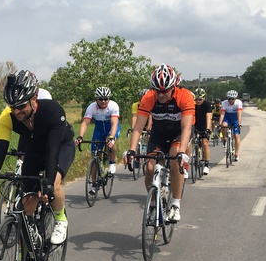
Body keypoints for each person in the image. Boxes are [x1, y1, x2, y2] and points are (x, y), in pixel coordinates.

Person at [0, 70, 74, 261]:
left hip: (61, 147)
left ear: (34, 98)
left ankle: (60, 219)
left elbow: (52, 150)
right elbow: (0, 150)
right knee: (25, 205)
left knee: (54, 183)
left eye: (21, 106)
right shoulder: (7, 117)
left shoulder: (52, 111)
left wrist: (48, 184)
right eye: (12, 107)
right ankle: (22, 259)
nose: (17, 111)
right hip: (35, 150)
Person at [124, 64, 194, 223]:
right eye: (157, 91)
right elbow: (138, 127)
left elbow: (186, 128)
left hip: (179, 132)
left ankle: (175, 204)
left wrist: (182, 152)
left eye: (165, 91)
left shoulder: (184, 96)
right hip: (159, 133)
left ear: (173, 86)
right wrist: (132, 150)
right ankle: (154, 202)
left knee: (175, 159)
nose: (161, 95)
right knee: (150, 168)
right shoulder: (148, 97)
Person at [75, 86, 120, 195]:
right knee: (94, 156)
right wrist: (80, 136)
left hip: (111, 128)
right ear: (96, 99)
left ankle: (112, 162)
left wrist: (111, 136)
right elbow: (85, 123)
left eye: (106, 99)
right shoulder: (91, 107)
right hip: (98, 131)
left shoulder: (113, 106)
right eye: (100, 99)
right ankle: (94, 185)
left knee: (110, 142)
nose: (103, 101)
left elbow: (114, 123)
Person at [193, 89, 213, 174]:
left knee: (205, 143)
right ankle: (194, 152)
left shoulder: (207, 104)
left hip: (204, 125)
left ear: (204, 98)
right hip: (195, 124)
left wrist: (208, 129)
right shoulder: (192, 104)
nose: (197, 101)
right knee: (190, 139)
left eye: (200, 99)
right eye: (196, 99)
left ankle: (206, 165)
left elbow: (208, 117)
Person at [220, 90, 243, 161]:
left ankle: (236, 154)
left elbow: (239, 114)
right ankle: (224, 138)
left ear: (235, 99)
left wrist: (239, 124)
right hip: (227, 118)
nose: (231, 100)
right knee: (224, 125)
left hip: (235, 119)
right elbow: (222, 114)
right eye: (229, 99)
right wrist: (220, 124)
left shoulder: (238, 103)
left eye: (232, 99)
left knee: (236, 136)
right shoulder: (224, 103)